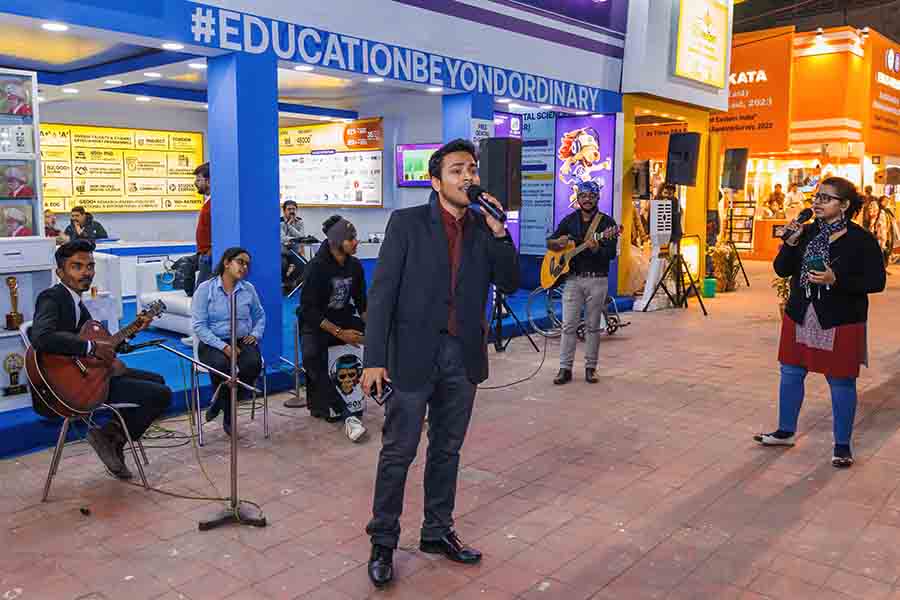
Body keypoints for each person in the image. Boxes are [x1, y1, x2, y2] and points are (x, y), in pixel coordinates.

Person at [362, 139, 519, 587]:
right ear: (435, 181)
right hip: (412, 357)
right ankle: (383, 540)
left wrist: (499, 231)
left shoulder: (483, 228)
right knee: (399, 452)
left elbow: (509, 282)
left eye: (471, 169)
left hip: (461, 358)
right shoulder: (407, 223)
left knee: (447, 450)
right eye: (457, 170)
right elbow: (383, 293)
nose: (468, 176)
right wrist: (374, 359)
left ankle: (436, 531)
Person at [755, 177, 886, 468]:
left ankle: (842, 446)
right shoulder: (806, 232)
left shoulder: (861, 240)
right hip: (801, 312)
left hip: (840, 319)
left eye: (826, 198)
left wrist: (835, 279)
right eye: (817, 197)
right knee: (790, 372)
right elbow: (781, 269)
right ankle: (785, 431)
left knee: (840, 381)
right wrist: (789, 244)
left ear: (845, 205)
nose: (818, 202)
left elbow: (877, 282)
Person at [30, 240, 172, 478]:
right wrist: (90, 347)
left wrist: (135, 328)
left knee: (158, 380)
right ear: (60, 272)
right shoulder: (51, 297)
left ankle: (111, 436)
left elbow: (104, 348)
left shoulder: (79, 305)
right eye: (77, 266)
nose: (86, 272)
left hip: (90, 374)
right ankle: (111, 437)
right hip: (74, 386)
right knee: (162, 394)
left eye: (90, 266)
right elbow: (41, 337)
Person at [300, 216, 368, 442]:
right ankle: (347, 415)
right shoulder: (316, 268)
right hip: (317, 324)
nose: (356, 243)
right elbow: (308, 311)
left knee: (383, 341)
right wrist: (340, 333)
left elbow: (361, 303)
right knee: (312, 359)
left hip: (343, 317)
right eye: (351, 239)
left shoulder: (354, 266)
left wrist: (374, 332)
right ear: (336, 242)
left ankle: (393, 399)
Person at [546, 180, 618, 385]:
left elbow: (610, 254)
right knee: (568, 325)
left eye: (591, 196)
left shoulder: (607, 224)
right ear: (578, 199)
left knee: (593, 326)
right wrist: (557, 243)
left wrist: (596, 248)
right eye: (583, 196)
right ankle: (564, 368)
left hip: (597, 280)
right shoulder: (569, 220)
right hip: (572, 280)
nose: (587, 200)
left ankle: (590, 368)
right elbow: (550, 241)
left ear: (597, 198)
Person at [191, 247, 265, 437]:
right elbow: (199, 326)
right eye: (240, 262)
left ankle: (219, 402)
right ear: (226, 262)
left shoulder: (248, 290)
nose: (244, 267)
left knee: (252, 364)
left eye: (247, 264)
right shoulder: (205, 289)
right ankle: (229, 416)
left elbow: (260, 315)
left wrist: (255, 334)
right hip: (213, 342)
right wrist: (223, 346)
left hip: (242, 339)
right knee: (221, 365)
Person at [281, 200, 306, 292]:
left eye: (294, 209)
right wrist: (295, 238)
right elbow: (283, 238)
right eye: (289, 209)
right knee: (283, 264)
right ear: (284, 211)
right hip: (282, 253)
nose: (292, 211)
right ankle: (285, 283)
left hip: (294, 252)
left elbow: (301, 237)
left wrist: (289, 225)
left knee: (304, 264)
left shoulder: (300, 222)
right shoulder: (280, 222)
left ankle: (292, 283)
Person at [194, 163, 213, 285]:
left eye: (199, 179)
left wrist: (210, 252)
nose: (195, 183)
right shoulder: (208, 202)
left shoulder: (215, 203)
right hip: (204, 255)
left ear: (209, 181)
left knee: (201, 295)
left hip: (209, 257)